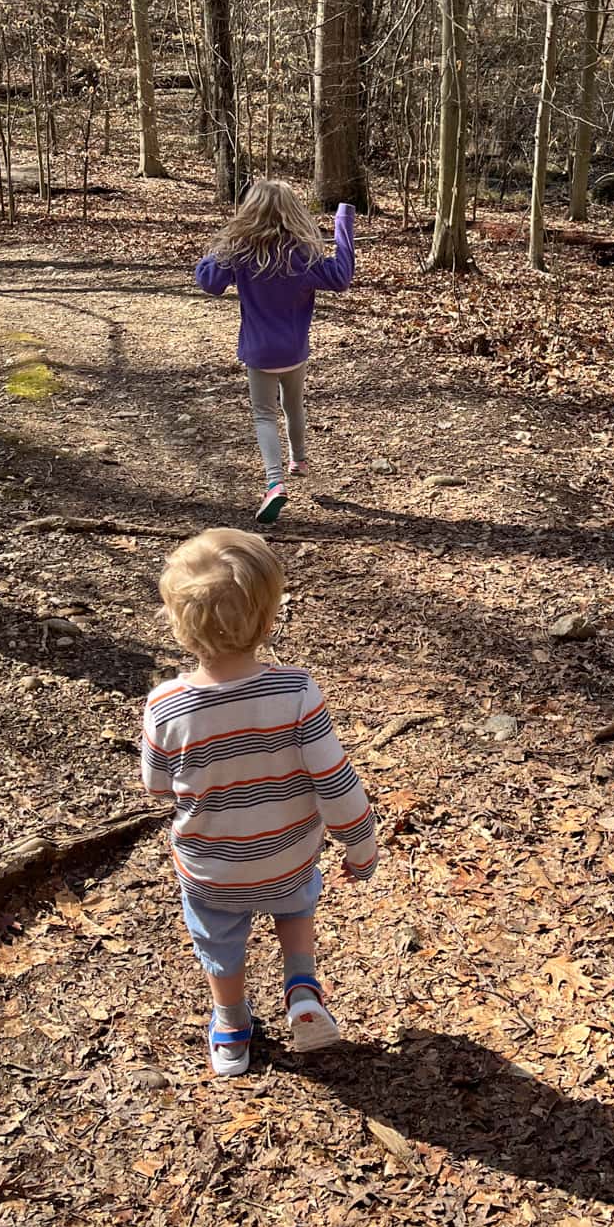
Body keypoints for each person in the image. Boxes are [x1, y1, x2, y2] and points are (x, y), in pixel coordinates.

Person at [141, 528, 378, 1077]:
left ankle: (230, 1027)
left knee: (218, 940)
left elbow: (156, 786)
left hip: (211, 868)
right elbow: (336, 781)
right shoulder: (296, 691)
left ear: (178, 622)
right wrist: (361, 846)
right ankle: (302, 989)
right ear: (268, 618)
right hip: (287, 858)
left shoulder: (166, 707)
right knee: (295, 906)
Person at [196, 180, 355, 524]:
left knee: (264, 415)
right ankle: (299, 459)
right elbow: (341, 278)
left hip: (259, 353)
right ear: (293, 213)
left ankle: (274, 482)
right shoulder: (304, 254)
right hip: (294, 350)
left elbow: (209, 282)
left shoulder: (241, 253)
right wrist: (343, 222)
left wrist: (224, 242)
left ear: (249, 213)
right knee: (293, 405)